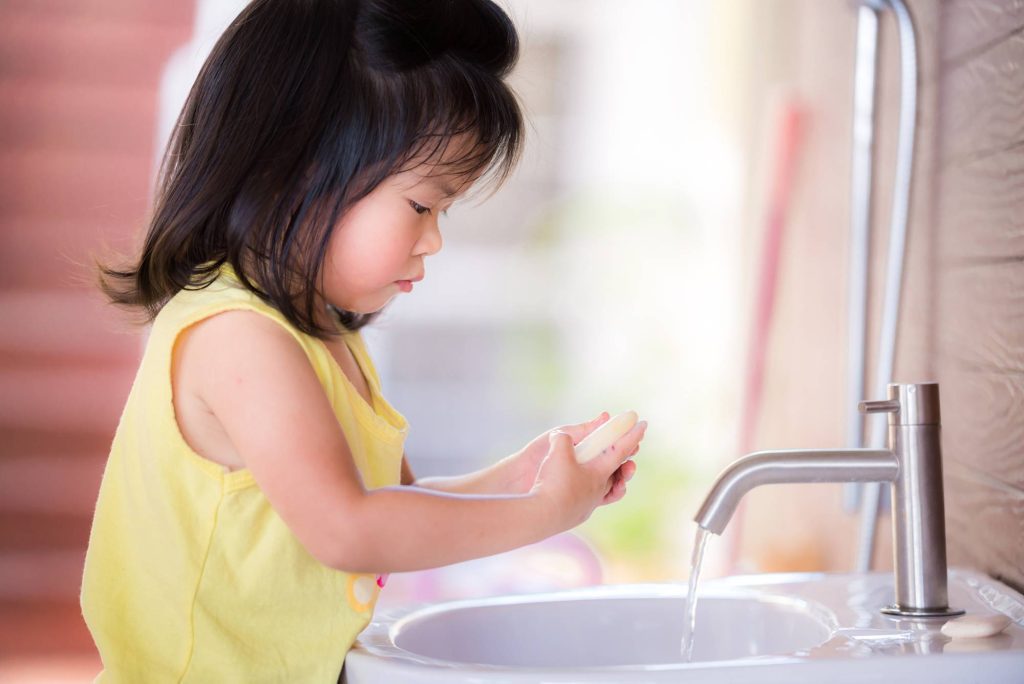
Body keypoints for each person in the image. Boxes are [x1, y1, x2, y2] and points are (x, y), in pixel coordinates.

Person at [80, 0, 647, 681]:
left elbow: (393, 508)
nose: (434, 238)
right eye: (422, 205)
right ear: (298, 168)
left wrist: (517, 480)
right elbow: (348, 530)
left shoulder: (321, 338)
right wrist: (540, 514)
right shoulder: (238, 337)